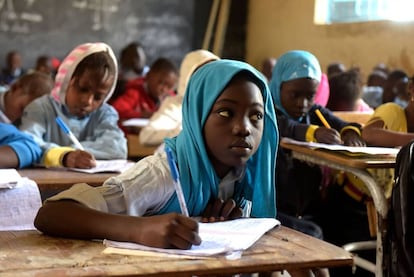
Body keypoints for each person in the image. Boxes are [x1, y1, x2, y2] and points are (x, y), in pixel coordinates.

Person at [34, 59, 279, 251]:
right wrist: (139, 229)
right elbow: (51, 214)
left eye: (256, 116)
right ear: (196, 116)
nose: (244, 128)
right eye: (226, 113)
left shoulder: (245, 179)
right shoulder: (165, 173)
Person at [269, 50, 365, 237]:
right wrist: (313, 132)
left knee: (346, 224)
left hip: (308, 208)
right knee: (315, 233)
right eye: (295, 95)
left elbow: (345, 125)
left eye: (310, 96)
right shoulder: (267, 111)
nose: (303, 103)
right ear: (278, 86)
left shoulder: (314, 113)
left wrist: (351, 133)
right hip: (275, 208)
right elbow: (284, 127)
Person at [19, 42, 127, 169]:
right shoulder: (41, 108)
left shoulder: (104, 113)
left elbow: (117, 147)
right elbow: (27, 144)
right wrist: (64, 156)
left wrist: (74, 153)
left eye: (98, 97)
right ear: (66, 81)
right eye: (83, 89)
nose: (88, 101)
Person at [139, 49, 219, 146]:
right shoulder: (176, 105)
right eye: (200, 76)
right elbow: (147, 136)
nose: (208, 82)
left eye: (213, 75)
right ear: (188, 78)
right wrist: (188, 131)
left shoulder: (224, 103)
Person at [110, 57, 179, 134]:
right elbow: (116, 110)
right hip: (132, 139)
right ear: (148, 76)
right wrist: (141, 115)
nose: (164, 89)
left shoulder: (170, 98)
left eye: (169, 87)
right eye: (161, 83)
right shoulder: (135, 92)